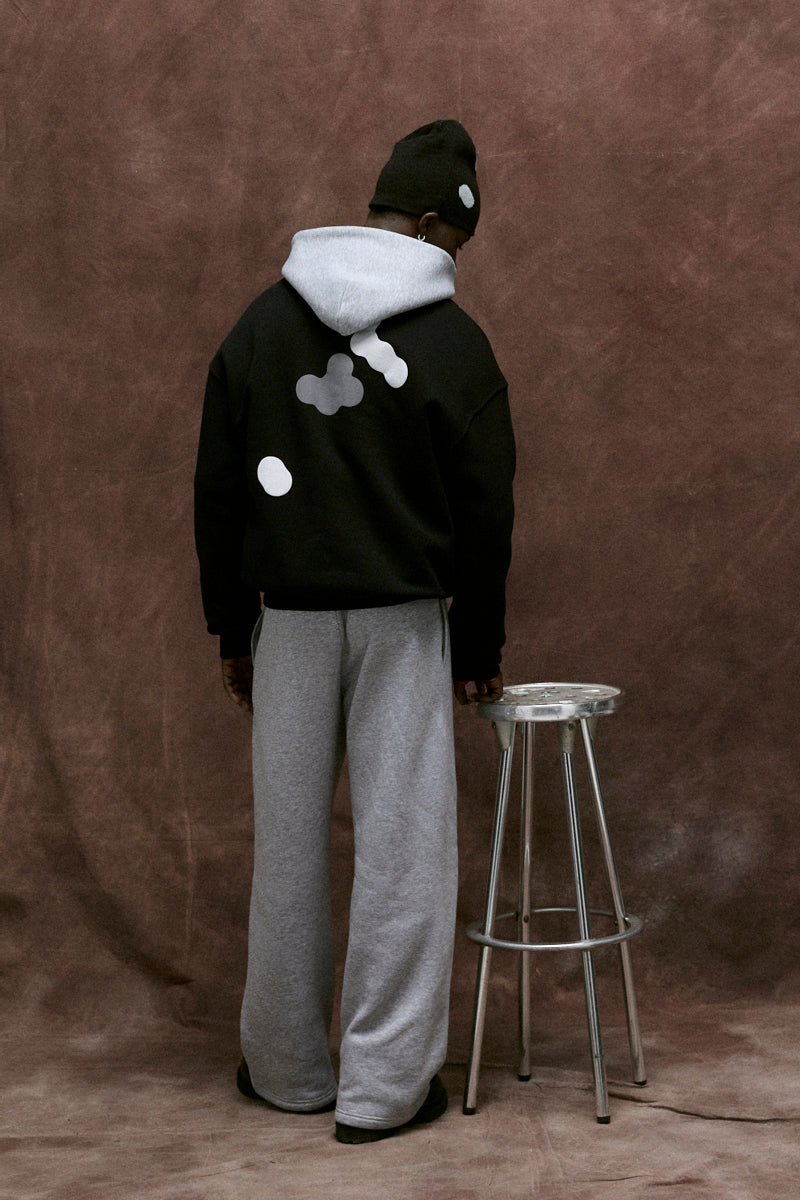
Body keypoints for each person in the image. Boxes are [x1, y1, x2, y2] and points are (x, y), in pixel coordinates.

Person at [194, 119, 515, 1144]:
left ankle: (285, 1069)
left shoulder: (260, 325)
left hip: (285, 623)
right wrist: (478, 648)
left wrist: (230, 628)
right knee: (404, 855)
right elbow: (487, 512)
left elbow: (216, 489)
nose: (453, 261)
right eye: (453, 239)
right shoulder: (457, 346)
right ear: (425, 221)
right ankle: (384, 1091)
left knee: (286, 852)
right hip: (402, 624)